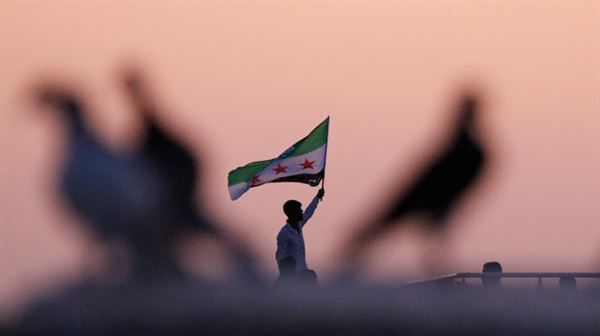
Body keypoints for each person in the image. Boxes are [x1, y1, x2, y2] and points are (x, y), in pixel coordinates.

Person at [275, 188, 325, 285]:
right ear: (293, 213)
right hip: (292, 275)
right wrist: (285, 274)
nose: (301, 211)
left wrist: (318, 197)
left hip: (302, 270)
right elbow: (279, 256)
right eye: (299, 210)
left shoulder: (299, 225)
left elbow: (308, 212)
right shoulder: (284, 233)